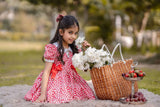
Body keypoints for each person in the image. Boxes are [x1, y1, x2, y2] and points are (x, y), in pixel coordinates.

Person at [24, 15, 95, 104]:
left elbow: (84, 68)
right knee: (58, 95)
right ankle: (48, 93)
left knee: (86, 93)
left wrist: (86, 51)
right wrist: (43, 94)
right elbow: (46, 72)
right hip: (56, 78)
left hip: (70, 77)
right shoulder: (53, 48)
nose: (73, 36)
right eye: (70, 32)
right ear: (61, 32)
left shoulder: (74, 48)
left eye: (75, 33)